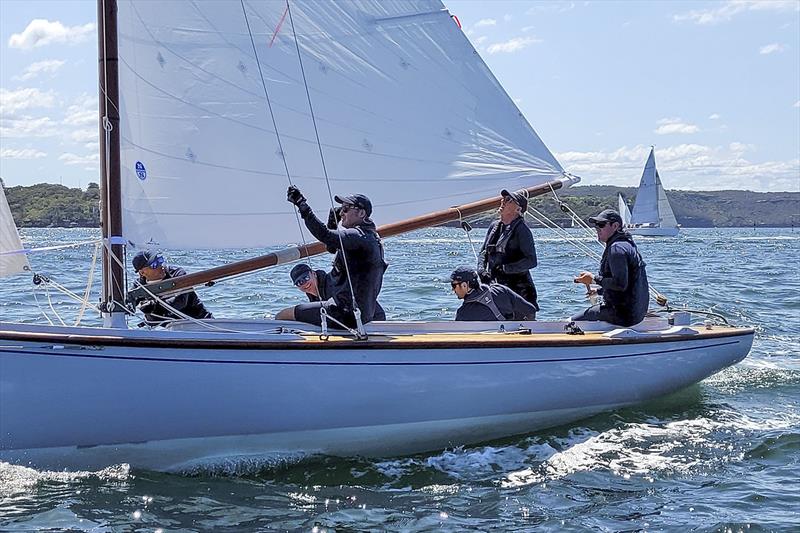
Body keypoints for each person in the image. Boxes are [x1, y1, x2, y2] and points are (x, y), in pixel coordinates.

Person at [278, 186, 387, 328]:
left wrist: (302, 204)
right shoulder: (367, 237)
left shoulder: (358, 236)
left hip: (345, 313)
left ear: (361, 213)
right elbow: (331, 247)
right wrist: (333, 224)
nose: (342, 212)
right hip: (358, 314)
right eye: (341, 208)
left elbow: (325, 236)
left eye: (346, 209)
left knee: (282, 315)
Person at [571, 209, 649, 327]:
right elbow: (628, 285)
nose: (597, 228)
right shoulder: (625, 245)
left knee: (571, 322)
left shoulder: (616, 249)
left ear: (615, 226)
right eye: (596, 225)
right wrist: (598, 291)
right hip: (635, 314)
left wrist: (592, 279)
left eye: (601, 225)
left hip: (623, 315)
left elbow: (620, 284)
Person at [478, 189, 539, 313]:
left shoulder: (522, 230)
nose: (503, 201)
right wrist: (481, 270)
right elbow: (483, 252)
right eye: (503, 199)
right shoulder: (494, 226)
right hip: (495, 287)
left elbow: (532, 261)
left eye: (508, 200)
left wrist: (506, 268)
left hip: (519, 291)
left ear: (518, 209)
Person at [131, 251, 213, 327]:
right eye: (155, 264)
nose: (161, 266)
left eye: (160, 260)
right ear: (142, 273)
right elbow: (128, 302)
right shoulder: (139, 285)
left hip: (202, 322)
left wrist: (155, 307)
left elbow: (180, 301)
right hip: (170, 329)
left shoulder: (177, 274)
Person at [284, 263, 386, 321]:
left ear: (313, 274)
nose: (304, 284)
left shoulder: (332, 283)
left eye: (305, 278)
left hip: (373, 319)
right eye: (299, 283)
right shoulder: (313, 296)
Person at [450, 266, 537, 321]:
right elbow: (530, 310)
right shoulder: (501, 291)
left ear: (465, 285)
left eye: (454, 285)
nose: (453, 290)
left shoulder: (462, 314)